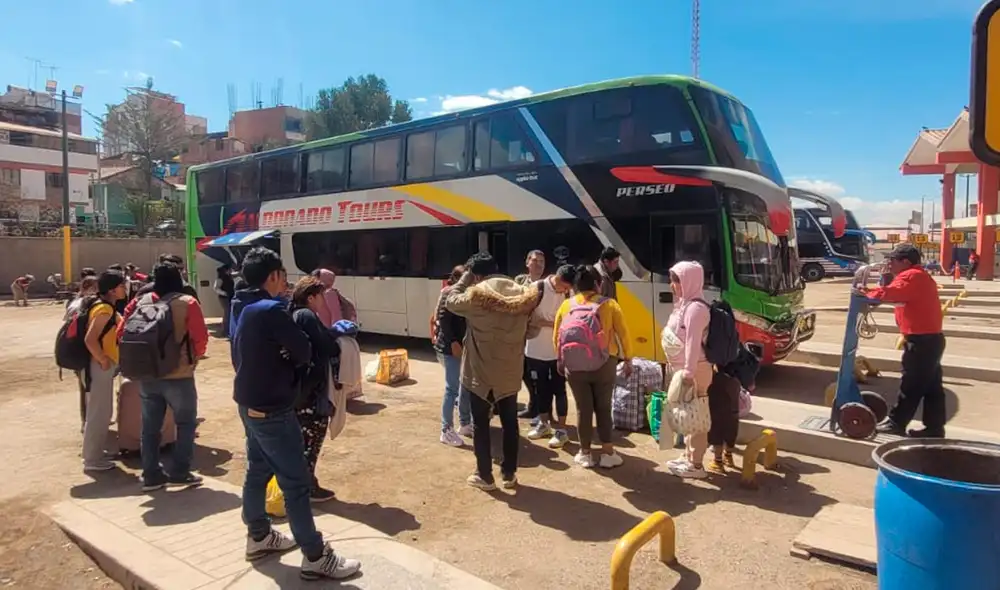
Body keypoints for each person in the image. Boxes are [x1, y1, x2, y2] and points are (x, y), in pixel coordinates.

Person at [230, 247, 361, 580]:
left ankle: (258, 535)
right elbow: (304, 351)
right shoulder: (273, 310)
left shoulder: (243, 307)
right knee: (296, 483)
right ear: (273, 276)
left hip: (248, 403)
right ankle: (315, 555)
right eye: (282, 275)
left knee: (257, 471)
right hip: (274, 409)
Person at [445, 252, 541, 490]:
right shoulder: (523, 293)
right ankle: (509, 474)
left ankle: (484, 475)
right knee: (510, 422)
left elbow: (450, 300)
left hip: (480, 372)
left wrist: (465, 278)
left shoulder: (476, 294)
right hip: (509, 370)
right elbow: (534, 329)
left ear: (475, 274)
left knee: (481, 423)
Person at [125, 263, 209, 491]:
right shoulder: (187, 303)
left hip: (147, 373)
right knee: (185, 423)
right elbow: (200, 339)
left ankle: (151, 474)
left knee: (150, 427)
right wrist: (194, 358)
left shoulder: (139, 302)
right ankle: (180, 472)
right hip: (179, 374)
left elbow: (123, 330)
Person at [553, 264, 632, 469]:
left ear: (576, 286)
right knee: (604, 408)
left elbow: (557, 337)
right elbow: (623, 333)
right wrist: (628, 359)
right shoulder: (609, 304)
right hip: (604, 362)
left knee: (582, 408)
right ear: (598, 284)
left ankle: (585, 452)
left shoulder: (566, 305)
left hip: (574, 365)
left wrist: (561, 360)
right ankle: (607, 453)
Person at [868, 244, 946, 438]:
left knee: (910, 385)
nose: (889, 264)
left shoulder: (911, 276)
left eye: (892, 261)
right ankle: (935, 428)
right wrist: (885, 282)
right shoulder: (918, 276)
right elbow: (896, 292)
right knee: (932, 388)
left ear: (906, 262)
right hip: (931, 339)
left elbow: (890, 293)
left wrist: (865, 293)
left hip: (921, 342)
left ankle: (896, 423)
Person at [660, 262, 713, 479]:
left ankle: (697, 465)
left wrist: (688, 374)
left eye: (677, 281)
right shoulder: (685, 304)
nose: (673, 285)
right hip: (685, 369)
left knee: (697, 415)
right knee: (687, 414)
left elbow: (692, 343)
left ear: (689, 281)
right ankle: (689, 456)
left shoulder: (695, 309)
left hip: (694, 370)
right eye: (673, 280)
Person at [290, 276, 339, 502]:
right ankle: (307, 487)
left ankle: (305, 484)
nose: (323, 300)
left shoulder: (295, 313)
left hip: (300, 390)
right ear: (311, 297)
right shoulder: (307, 315)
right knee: (311, 439)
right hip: (309, 391)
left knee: (302, 440)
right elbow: (327, 346)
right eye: (320, 295)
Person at [81, 270, 127, 472]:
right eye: (122, 286)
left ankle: (95, 452)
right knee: (99, 413)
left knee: (101, 411)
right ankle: (92, 459)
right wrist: (102, 359)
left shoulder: (105, 307)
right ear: (112, 289)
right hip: (98, 366)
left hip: (99, 365)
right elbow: (90, 339)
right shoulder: (104, 310)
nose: (125, 289)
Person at [525, 264, 573, 448]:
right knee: (540, 390)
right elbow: (526, 315)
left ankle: (561, 430)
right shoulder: (537, 288)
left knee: (559, 389)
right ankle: (543, 424)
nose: (566, 291)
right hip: (535, 348)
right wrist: (551, 323)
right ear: (558, 279)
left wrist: (550, 323)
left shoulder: (568, 294)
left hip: (558, 350)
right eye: (565, 287)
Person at [433, 265, 471, 446]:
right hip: (450, 348)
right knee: (452, 389)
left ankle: (464, 423)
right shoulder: (449, 293)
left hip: (463, 347)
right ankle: (445, 430)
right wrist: (454, 343)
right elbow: (442, 320)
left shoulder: (467, 294)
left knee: (465, 387)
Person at [214, 264, 236, 339]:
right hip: (224, 298)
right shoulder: (221, 278)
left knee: (228, 313)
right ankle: (225, 331)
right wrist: (224, 293)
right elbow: (216, 288)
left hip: (229, 297)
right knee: (227, 313)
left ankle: (227, 330)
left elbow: (236, 274)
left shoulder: (228, 276)